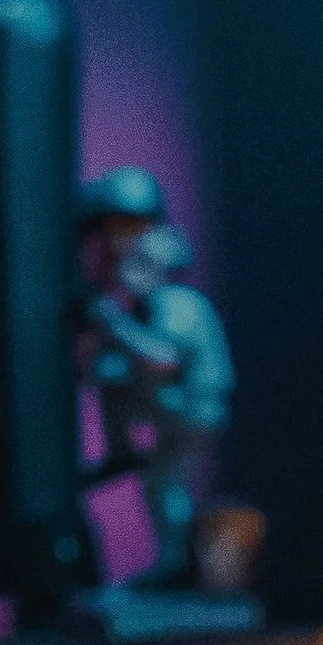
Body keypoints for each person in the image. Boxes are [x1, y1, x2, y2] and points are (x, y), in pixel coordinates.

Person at [77, 167, 235, 588]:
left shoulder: (178, 303)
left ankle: (179, 564)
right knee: (162, 484)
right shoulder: (143, 304)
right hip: (173, 403)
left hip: (192, 407)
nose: (121, 249)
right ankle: (122, 455)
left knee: (165, 486)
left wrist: (112, 323)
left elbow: (162, 359)